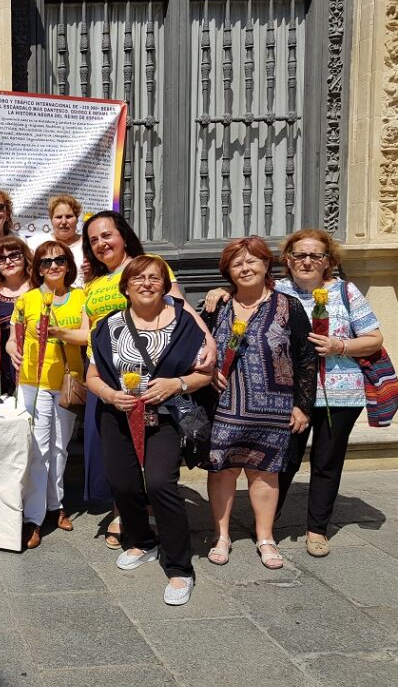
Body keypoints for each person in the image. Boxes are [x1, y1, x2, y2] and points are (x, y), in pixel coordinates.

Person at [205, 228, 385, 557]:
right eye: (299, 255)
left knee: (327, 462)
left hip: (340, 393)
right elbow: (244, 291)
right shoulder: (278, 290)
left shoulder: (346, 292)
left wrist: (339, 345)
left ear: (328, 261)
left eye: (315, 255)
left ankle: (317, 529)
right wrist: (221, 291)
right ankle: (267, 526)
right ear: (286, 260)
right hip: (286, 397)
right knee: (282, 461)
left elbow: (374, 339)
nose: (307, 261)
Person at [81, 210, 213, 548]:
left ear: (123, 235)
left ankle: (158, 525)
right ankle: (126, 515)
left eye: (107, 235)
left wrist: (207, 339)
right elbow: (88, 332)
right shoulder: (93, 283)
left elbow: (181, 307)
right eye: (94, 239)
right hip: (111, 379)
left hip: (156, 382)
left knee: (154, 463)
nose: (101, 243)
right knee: (120, 460)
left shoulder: (149, 268)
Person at [200, 237, 316, 570]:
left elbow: (306, 358)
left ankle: (265, 537)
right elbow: (195, 348)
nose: (245, 268)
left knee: (265, 473)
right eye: (237, 263)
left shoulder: (287, 305)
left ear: (267, 265)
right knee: (222, 469)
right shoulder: (217, 305)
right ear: (228, 272)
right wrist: (207, 374)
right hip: (224, 406)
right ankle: (221, 535)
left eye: (252, 261)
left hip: (274, 407)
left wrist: (303, 405)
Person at [6, 242, 85, 549]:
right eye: (46, 262)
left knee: (60, 448)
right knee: (38, 450)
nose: (53, 266)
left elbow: (87, 334)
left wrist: (59, 333)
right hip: (33, 381)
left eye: (59, 260)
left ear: (68, 264)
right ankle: (34, 518)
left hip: (67, 382)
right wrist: (13, 349)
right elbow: (13, 338)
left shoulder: (80, 296)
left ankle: (57, 505)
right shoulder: (27, 299)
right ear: (37, 268)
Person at [0, 236, 32, 396]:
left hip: (36, 362)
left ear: (25, 257)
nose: (8, 261)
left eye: (14, 255)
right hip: (6, 367)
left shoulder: (38, 287)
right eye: (1, 258)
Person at [26, 195, 88, 286]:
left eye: (69, 216)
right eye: (58, 217)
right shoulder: (35, 243)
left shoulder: (89, 244)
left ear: (77, 219)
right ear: (51, 220)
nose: (63, 222)